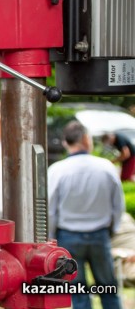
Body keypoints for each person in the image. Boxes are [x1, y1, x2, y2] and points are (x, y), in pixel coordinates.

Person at [48, 121, 125, 309]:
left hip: (68, 236)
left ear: (66, 143)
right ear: (86, 139)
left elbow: (50, 209)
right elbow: (118, 205)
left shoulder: (57, 170)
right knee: (109, 289)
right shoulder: (106, 167)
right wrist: (112, 229)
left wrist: (51, 237)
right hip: (100, 235)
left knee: (78, 293)